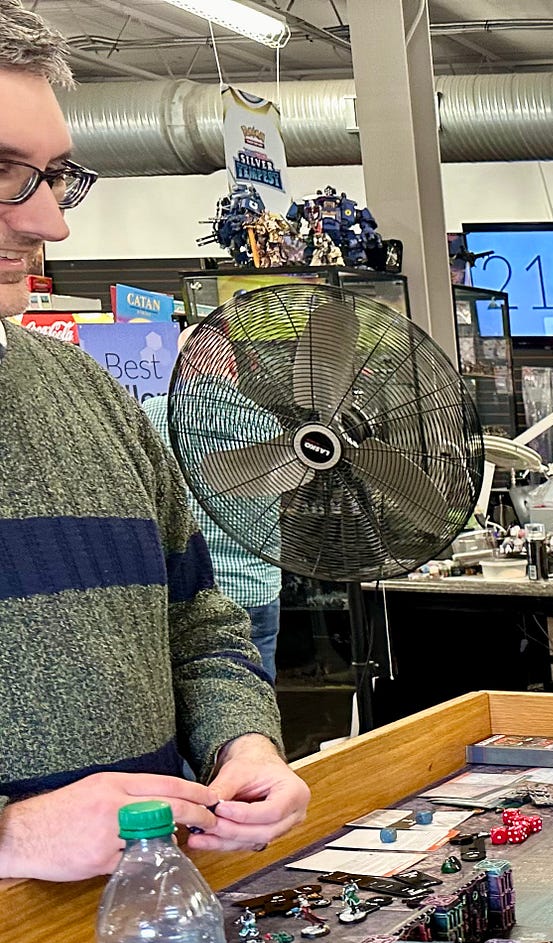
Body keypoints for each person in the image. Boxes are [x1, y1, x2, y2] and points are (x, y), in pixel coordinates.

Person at [0, 2, 309, 882]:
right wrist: (14, 838)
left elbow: (198, 623)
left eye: (55, 176)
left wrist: (243, 744)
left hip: (143, 930)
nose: (52, 223)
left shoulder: (87, 393)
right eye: (3, 173)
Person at [142, 387, 284, 682]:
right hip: (254, 586)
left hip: (186, 593)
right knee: (258, 690)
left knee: (189, 691)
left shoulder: (153, 413)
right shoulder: (264, 420)